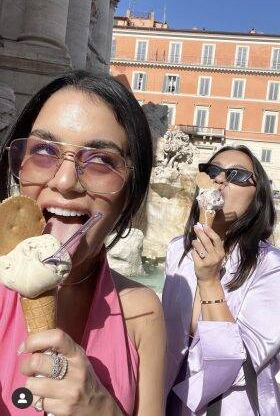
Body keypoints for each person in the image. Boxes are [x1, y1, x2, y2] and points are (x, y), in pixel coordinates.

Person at [0, 71, 165, 415]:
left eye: (101, 161)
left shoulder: (143, 313)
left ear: (129, 192)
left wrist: (102, 408)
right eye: (43, 150)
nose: (64, 181)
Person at [162, 145, 280, 415]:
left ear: (257, 196)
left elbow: (238, 363)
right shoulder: (178, 250)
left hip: (231, 406)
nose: (220, 179)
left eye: (236, 175)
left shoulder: (274, 266)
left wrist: (210, 280)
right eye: (213, 171)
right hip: (167, 400)